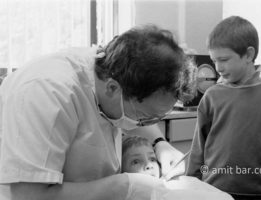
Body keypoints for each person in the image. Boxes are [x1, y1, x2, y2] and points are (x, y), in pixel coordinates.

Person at [0, 25, 197, 200]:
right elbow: (28, 195)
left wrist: (160, 143)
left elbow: (135, 109)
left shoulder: (110, 67)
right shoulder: (46, 93)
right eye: (146, 118)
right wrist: (123, 186)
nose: (147, 124)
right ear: (112, 89)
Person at [186, 16, 261, 200]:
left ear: (248, 55)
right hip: (212, 192)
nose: (218, 68)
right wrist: (191, 185)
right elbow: (199, 147)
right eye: (214, 61)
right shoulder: (212, 96)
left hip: (258, 193)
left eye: (224, 59)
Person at [121, 135, 234, 200]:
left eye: (152, 159)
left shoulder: (175, 184)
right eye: (136, 162)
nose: (148, 166)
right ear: (121, 173)